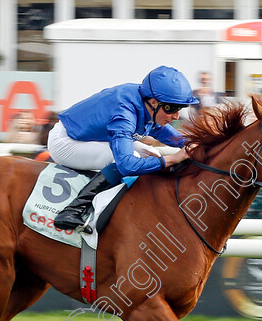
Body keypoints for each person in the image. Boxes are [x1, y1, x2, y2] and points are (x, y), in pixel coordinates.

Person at [48, 65, 195, 231]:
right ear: (153, 102)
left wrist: (188, 142)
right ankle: (73, 210)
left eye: (179, 109)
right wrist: (173, 158)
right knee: (131, 157)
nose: (176, 116)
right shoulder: (125, 112)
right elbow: (126, 164)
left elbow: (160, 129)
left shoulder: (146, 101)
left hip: (93, 137)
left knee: (153, 154)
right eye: (172, 108)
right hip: (65, 142)